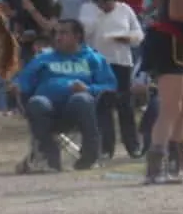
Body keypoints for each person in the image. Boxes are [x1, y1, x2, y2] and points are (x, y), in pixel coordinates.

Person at [12, 19, 117, 171]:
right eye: (56, 33)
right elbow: (24, 81)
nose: (58, 37)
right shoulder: (43, 58)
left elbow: (110, 86)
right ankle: (48, 159)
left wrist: (88, 89)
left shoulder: (93, 58)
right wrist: (17, 87)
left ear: (77, 36)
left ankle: (89, 158)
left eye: (64, 33)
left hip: (77, 112)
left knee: (81, 99)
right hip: (46, 110)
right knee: (37, 102)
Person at [141, 0, 183, 183]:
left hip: (179, 44)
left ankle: (177, 165)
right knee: (170, 107)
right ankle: (155, 169)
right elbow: (179, 13)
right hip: (169, 43)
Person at [80, 0, 144, 159]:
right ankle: (106, 148)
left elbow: (138, 34)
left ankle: (133, 146)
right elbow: (84, 33)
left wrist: (128, 38)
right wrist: (102, 12)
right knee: (103, 106)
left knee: (125, 106)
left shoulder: (125, 9)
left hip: (121, 62)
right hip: (99, 63)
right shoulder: (88, 9)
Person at [15, 0, 60, 65]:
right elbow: (18, 25)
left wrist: (32, 10)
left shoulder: (54, 4)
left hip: (46, 46)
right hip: (26, 48)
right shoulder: (25, 1)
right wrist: (19, 35)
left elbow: (48, 26)